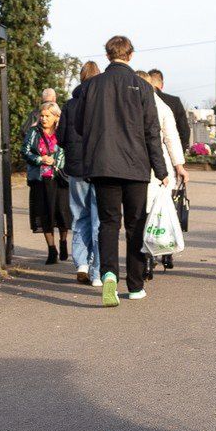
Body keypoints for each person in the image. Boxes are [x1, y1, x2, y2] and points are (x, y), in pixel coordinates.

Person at [74, 36, 167, 306]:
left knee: (108, 223)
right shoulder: (142, 86)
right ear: (131, 55)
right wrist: (160, 170)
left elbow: (80, 126)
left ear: (107, 55)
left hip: (103, 166)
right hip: (136, 167)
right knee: (135, 225)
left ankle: (109, 274)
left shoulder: (92, 86)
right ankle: (135, 284)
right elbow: (152, 132)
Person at [138, 70, 189, 275]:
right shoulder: (163, 107)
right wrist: (179, 166)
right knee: (159, 210)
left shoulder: (131, 105)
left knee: (141, 213)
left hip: (137, 166)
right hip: (161, 168)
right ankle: (160, 250)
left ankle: (147, 256)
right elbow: (172, 138)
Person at [62, 61, 103, 286]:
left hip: (76, 167)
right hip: (98, 166)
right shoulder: (102, 103)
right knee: (98, 219)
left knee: (79, 216)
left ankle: (81, 263)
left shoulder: (70, 105)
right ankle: (96, 271)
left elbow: (60, 136)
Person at [23, 101, 72, 265]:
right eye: (41, 116)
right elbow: (25, 151)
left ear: (56, 117)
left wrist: (56, 162)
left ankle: (63, 241)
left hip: (59, 179)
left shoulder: (62, 132)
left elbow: (69, 150)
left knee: (62, 213)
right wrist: (40, 159)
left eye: (47, 116)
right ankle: (51, 250)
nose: (43, 119)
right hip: (40, 179)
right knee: (45, 214)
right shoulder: (33, 132)